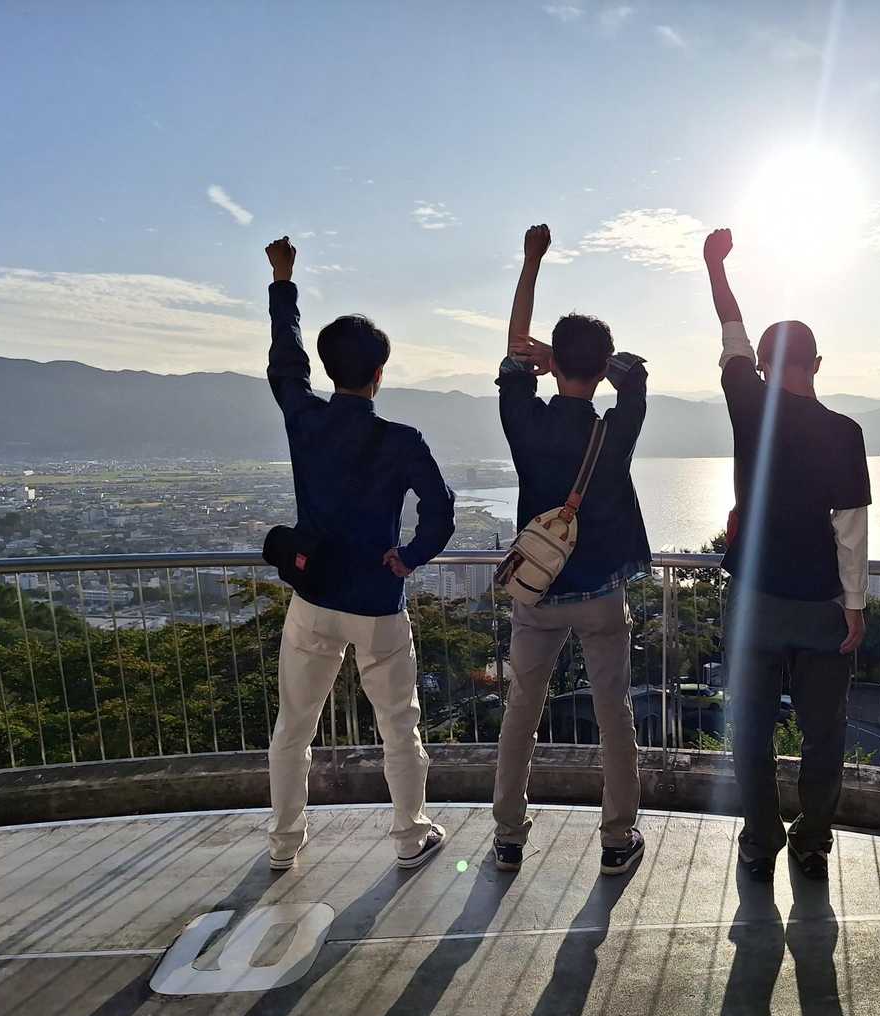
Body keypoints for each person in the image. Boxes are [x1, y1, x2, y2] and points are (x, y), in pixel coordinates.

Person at [262, 236, 456, 872]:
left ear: (329, 371)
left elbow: (285, 363)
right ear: (380, 373)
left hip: (313, 596)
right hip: (376, 601)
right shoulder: (401, 440)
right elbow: (441, 507)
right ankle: (410, 837)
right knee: (399, 725)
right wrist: (411, 555)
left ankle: (284, 844)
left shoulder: (305, 420)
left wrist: (283, 281)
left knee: (294, 726)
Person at [703, 227, 870, 883]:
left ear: (765, 366)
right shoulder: (845, 433)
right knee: (824, 732)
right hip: (821, 604)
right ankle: (813, 840)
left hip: (754, 599)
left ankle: (761, 836)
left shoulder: (748, 404)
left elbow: (731, 331)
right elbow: (849, 528)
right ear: (817, 364)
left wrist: (715, 265)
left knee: (750, 728)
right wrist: (854, 605)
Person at [491, 224, 650, 876]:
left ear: (553, 365)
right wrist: (579, 359)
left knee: (521, 712)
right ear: (600, 367)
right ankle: (617, 838)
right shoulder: (617, 427)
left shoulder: (524, 421)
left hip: (538, 591)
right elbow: (634, 374)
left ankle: (508, 836)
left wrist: (531, 262)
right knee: (614, 714)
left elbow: (512, 351)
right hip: (602, 594)